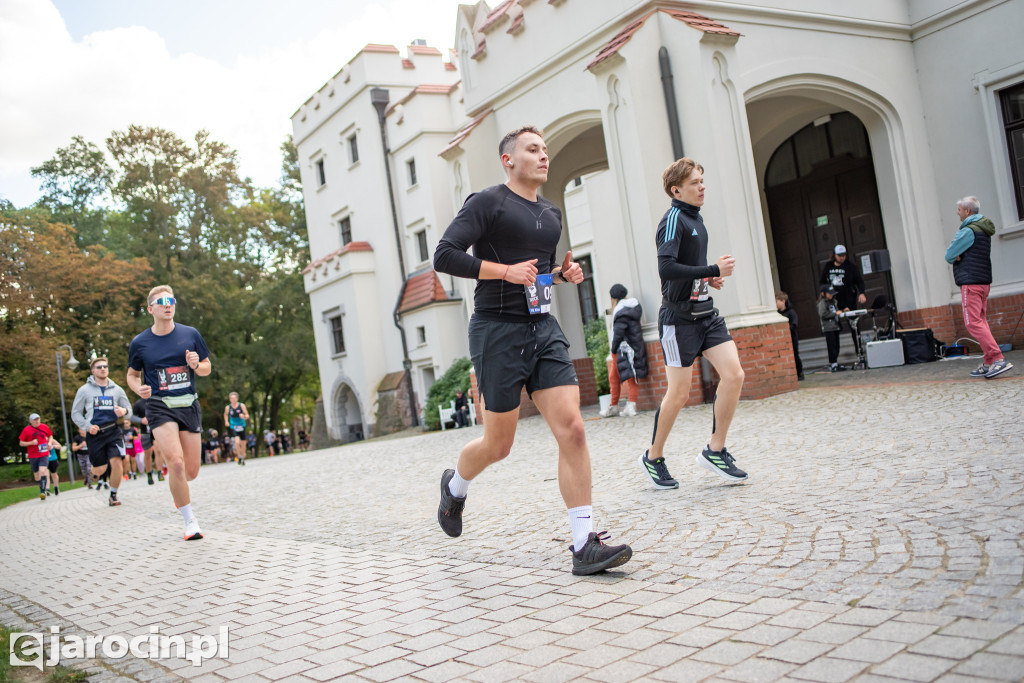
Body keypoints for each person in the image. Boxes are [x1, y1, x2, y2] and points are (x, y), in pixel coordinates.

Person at [432, 125, 632, 576]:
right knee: (499, 444)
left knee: (574, 429)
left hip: (542, 328)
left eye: (544, 149)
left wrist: (561, 277)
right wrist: (504, 271)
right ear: (508, 160)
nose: (544, 155)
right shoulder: (488, 202)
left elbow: (536, 276)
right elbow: (443, 255)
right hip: (496, 332)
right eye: (533, 149)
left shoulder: (552, 214)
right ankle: (456, 486)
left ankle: (584, 544)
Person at [644, 157, 747, 490]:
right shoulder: (672, 220)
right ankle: (653, 456)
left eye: (702, 180)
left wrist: (707, 281)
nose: (702, 187)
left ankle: (715, 450)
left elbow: (691, 268)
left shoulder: (696, 220)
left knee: (734, 374)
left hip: (706, 315)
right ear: (677, 189)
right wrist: (712, 271)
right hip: (678, 321)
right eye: (695, 183)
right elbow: (667, 269)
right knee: (679, 394)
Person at [127, 285, 211, 541]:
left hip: (188, 404)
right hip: (159, 405)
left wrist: (197, 365)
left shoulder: (190, 334)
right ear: (151, 309)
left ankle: (179, 491)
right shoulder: (140, 343)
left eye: (171, 300)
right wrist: (137, 388)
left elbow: (207, 367)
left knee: (191, 471)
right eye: (161, 301)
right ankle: (190, 522)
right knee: (175, 462)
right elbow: (132, 375)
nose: (168, 304)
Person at [945, 196, 1013, 378]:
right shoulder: (983, 230)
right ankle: (989, 361)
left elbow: (949, 254)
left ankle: (998, 359)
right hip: (983, 282)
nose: (957, 213)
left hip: (970, 283)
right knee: (981, 321)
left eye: (959, 209)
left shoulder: (967, 231)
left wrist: (957, 257)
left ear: (967, 211)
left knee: (973, 323)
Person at [70, 357, 132, 506]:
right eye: (99, 367)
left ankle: (113, 495)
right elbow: (75, 413)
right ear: (93, 371)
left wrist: (123, 411)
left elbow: (129, 411)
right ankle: (93, 473)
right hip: (94, 434)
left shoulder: (117, 389)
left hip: (113, 431)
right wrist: (87, 426)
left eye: (105, 366)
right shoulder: (84, 390)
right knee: (100, 469)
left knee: (117, 461)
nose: (103, 369)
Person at [601, 283, 647, 418]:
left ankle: (628, 407)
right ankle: (616, 406)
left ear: (613, 298)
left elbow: (618, 333)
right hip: (634, 347)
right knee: (621, 377)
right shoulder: (633, 307)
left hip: (623, 349)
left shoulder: (620, 311)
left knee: (622, 378)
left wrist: (613, 349)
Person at [820, 244, 867, 354]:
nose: (842, 257)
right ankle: (834, 358)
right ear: (834, 255)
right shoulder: (828, 266)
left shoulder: (850, 266)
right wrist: (825, 293)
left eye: (843, 255)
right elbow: (822, 282)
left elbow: (859, 281)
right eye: (839, 255)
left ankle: (859, 351)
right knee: (833, 328)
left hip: (849, 300)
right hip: (834, 301)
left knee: (854, 326)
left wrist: (862, 293)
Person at [131, 398, 164, 485]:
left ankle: (160, 472)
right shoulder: (139, 403)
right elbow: (131, 417)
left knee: (158, 450)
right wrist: (141, 420)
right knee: (147, 453)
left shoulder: (157, 400)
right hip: (145, 432)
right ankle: (149, 474)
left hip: (156, 429)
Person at [775, 291, 804, 381]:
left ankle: (799, 373)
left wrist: (786, 330)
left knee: (795, 354)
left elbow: (794, 324)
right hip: (782, 339)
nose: (775, 304)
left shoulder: (791, 312)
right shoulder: (777, 314)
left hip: (792, 338)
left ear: (783, 301)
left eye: (776, 301)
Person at [818, 284, 843, 372]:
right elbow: (823, 314)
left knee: (837, 345)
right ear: (823, 294)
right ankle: (833, 363)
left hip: (835, 326)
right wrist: (835, 314)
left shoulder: (834, 301)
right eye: (829, 293)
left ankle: (836, 362)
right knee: (831, 346)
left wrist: (842, 312)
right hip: (828, 328)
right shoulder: (822, 303)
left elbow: (836, 311)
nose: (831, 295)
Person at [223, 392, 250, 465]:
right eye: (232, 398)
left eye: (235, 398)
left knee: (243, 443)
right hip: (233, 426)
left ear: (237, 399)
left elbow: (247, 415)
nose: (233, 400)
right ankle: (239, 456)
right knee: (237, 442)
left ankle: (243, 456)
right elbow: (225, 414)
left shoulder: (241, 405)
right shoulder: (228, 407)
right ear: (230, 399)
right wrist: (226, 421)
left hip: (242, 425)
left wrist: (244, 416)